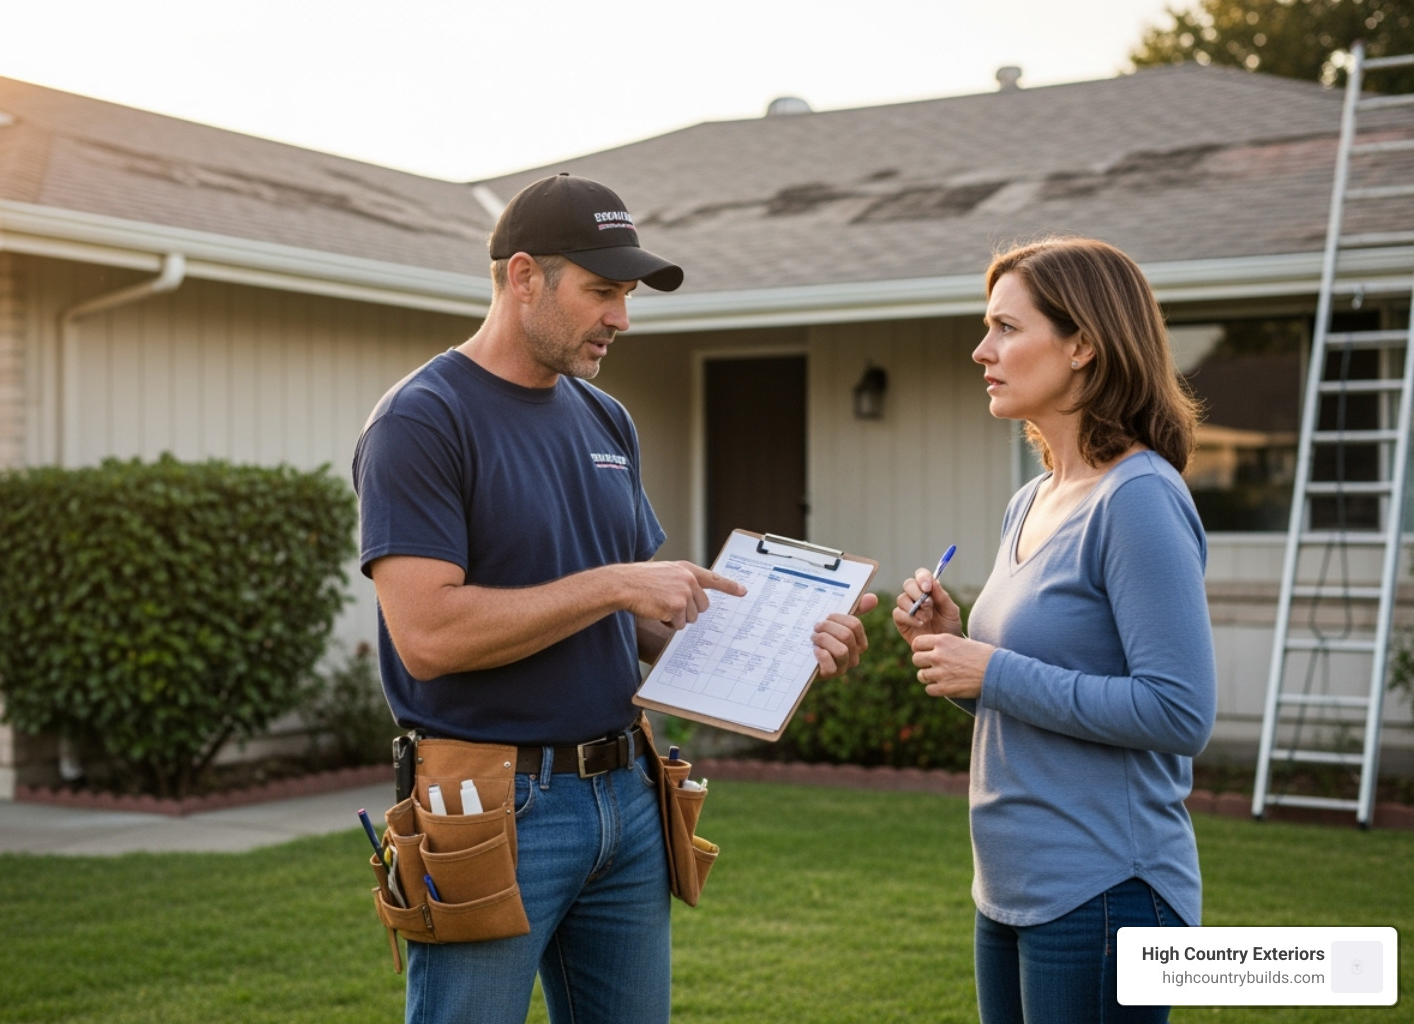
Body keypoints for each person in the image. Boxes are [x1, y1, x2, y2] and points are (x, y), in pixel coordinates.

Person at [352, 173, 877, 1024]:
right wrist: (614, 583)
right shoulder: (424, 420)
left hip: (628, 796)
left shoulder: (607, 420)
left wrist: (785, 652)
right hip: (493, 809)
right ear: (524, 277)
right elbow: (429, 636)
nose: (621, 320)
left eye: (626, 296)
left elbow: (640, 625)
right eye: (601, 292)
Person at [894, 237, 1216, 1024]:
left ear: (1083, 345)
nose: (982, 350)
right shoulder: (1032, 499)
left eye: (1007, 327)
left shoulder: (1137, 498)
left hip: (1109, 891)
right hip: (1010, 888)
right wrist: (954, 649)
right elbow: (1032, 702)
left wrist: (992, 671)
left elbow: (1179, 712)